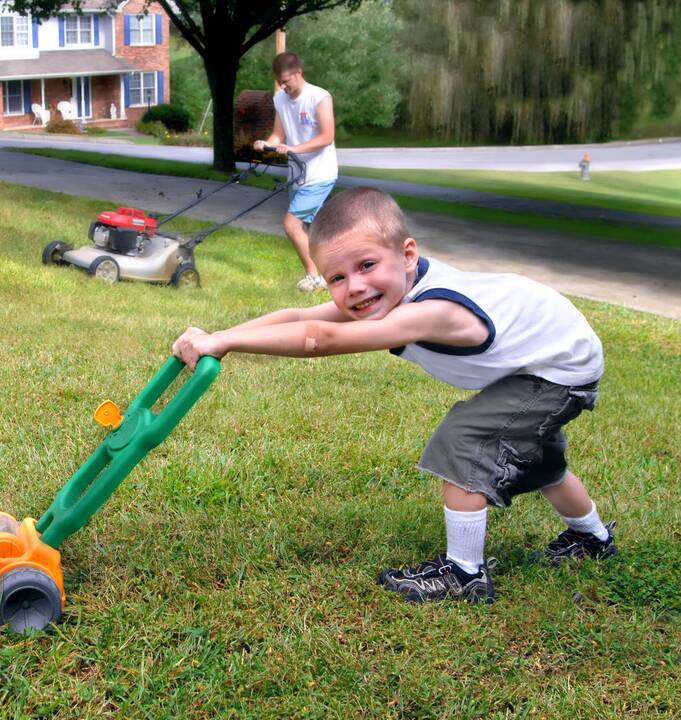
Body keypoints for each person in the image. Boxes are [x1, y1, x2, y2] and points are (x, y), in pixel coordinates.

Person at [172, 187, 616, 604]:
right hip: (544, 360)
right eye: (337, 278)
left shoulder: (434, 310)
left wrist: (226, 343)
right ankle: (592, 538)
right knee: (541, 461)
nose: (355, 287)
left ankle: (464, 574)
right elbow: (298, 313)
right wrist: (219, 336)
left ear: (407, 254)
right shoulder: (397, 288)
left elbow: (319, 338)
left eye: (367, 266)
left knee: (466, 439)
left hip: (558, 369)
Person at [253, 52, 338, 293]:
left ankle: (314, 277)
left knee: (292, 225)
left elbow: (327, 136)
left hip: (320, 173)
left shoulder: (320, 97)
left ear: (298, 72)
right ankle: (333, 274)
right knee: (316, 229)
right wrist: (267, 143)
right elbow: (279, 134)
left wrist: (293, 148)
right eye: (280, 82)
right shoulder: (280, 99)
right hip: (297, 174)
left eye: (286, 81)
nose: (283, 86)